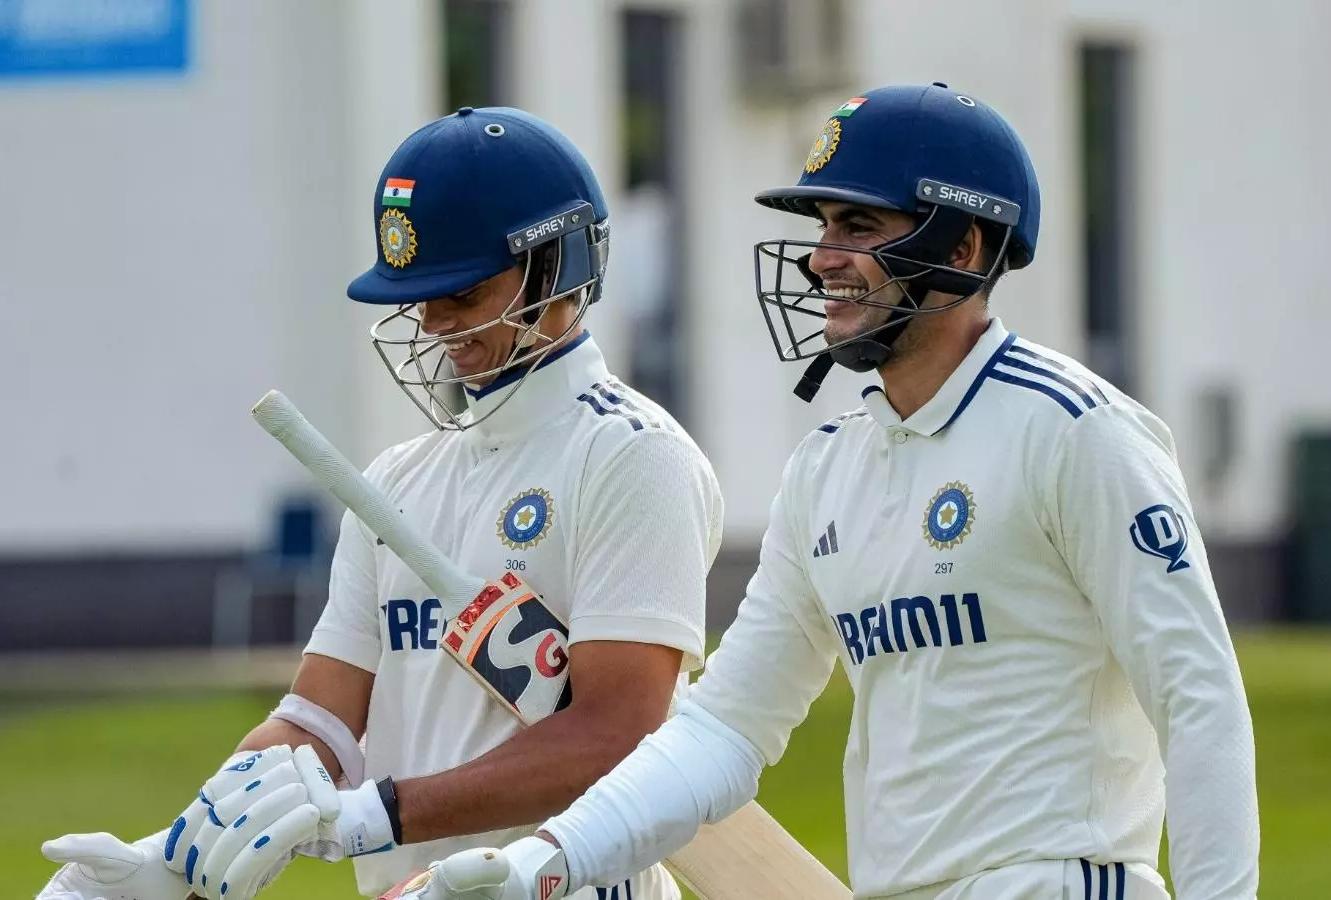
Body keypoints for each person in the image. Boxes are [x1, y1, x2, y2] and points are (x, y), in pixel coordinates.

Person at [401, 83, 1260, 900]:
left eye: (859, 226)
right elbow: (723, 730)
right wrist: (544, 861)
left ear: (962, 249)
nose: (820, 260)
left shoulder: (1076, 432)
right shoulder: (829, 467)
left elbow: (1198, 699)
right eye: (821, 226)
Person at [35, 106, 722, 900]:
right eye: (421, 296)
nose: (433, 323)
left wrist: (379, 814)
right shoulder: (397, 479)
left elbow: (617, 738)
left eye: (462, 291)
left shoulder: (632, 456)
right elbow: (319, 724)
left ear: (555, 266)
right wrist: (178, 852)